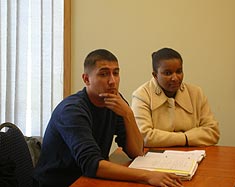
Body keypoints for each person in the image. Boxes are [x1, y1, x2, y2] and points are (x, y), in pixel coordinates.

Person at [32, 49, 183, 187]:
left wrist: (128, 114)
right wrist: (148, 176)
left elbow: (136, 152)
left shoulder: (115, 102)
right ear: (86, 79)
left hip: (89, 179)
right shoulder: (72, 110)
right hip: (61, 182)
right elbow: (92, 164)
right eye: (103, 74)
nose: (112, 81)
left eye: (116, 73)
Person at [131, 47, 220, 147]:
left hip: (192, 156)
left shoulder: (196, 93)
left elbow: (213, 132)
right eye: (168, 73)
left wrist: (180, 138)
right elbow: (143, 137)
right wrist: (186, 138)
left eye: (179, 71)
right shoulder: (141, 95)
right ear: (155, 75)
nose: (175, 78)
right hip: (155, 158)